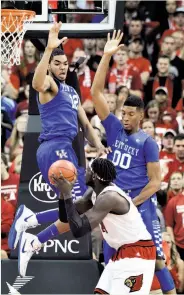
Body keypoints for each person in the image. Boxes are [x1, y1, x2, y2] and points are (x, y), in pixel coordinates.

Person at [8, 22, 106, 252]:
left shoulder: (71, 92)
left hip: (64, 148)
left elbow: (85, 124)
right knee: (81, 202)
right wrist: (49, 49)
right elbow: (37, 82)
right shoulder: (50, 85)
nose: (62, 68)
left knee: (72, 210)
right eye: (57, 64)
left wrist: (100, 145)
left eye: (65, 64)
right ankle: (30, 224)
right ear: (50, 66)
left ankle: (30, 222)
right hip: (55, 147)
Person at [90, 30, 176, 294]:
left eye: (129, 114)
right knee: (112, 258)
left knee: (159, 262)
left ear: (140, 115)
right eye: (122, 113)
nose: (124, 117)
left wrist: (133, 203)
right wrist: (106, 56)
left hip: (140, 206)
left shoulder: (148, 142)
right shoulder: (114, 128)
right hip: (114, 203)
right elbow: (95, 93)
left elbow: (156, 183)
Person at [18, 158, 156, 294]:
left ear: (95, 176)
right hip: (122, 252)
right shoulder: (94, 193)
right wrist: (62, 193)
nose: (85, 173)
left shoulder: (109, 197)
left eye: (89, 170)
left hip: (138, 253)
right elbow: (65, 217)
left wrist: (67, 194)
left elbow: (79, 230)